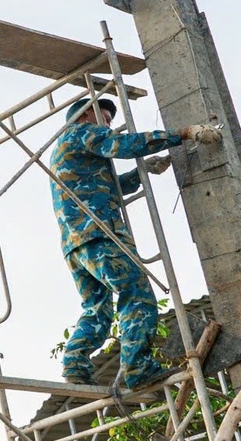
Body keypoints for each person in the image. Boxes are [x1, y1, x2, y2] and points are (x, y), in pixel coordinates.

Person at [50, 95, 221, 390]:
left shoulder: (66, 149)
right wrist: (180, 134)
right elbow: (123, 146)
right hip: (100, 233)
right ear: (84, 114)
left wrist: (142, 174)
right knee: (136, 294)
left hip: (76, 243)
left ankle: (75, 363)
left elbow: (107, 190)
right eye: (104, 117)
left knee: (97, 307)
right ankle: (136, 368)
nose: (108, 125)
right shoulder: (82, 132)